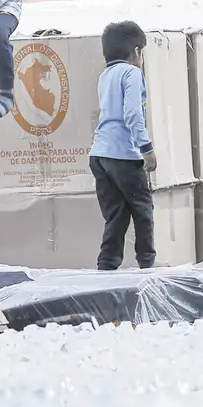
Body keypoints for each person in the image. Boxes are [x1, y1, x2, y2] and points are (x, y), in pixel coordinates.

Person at [89, 21, 157, 271]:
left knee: (116, 215)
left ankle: (106, 265)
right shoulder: (132, 73)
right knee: (143, 209)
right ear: (137, 51)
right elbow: (132, 114)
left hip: (99, 154)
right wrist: (146, 148)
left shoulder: (105, 75)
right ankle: (147, 265)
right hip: (122, 155)